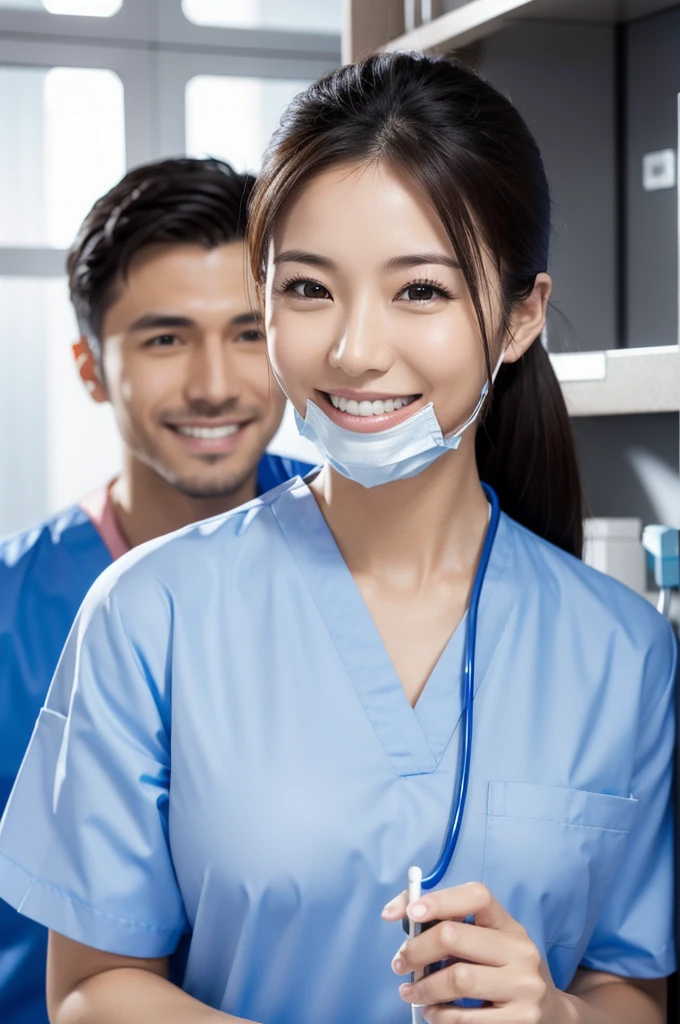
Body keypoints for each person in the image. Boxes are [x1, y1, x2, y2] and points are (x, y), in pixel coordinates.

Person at [0, 53, 675, 1024]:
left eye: (420, 292)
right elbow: (92, 989)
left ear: (521, 316)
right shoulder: (150, 612)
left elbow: (630, 990)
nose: (355, 349)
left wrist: (562, 1015)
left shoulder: (621, 651)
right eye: (309, 289)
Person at [0, 156, 313, 1024]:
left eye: (251, 333)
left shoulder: (368, 554)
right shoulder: (13, 612)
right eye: (166, 338)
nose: (216, 383)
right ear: (91, 367)